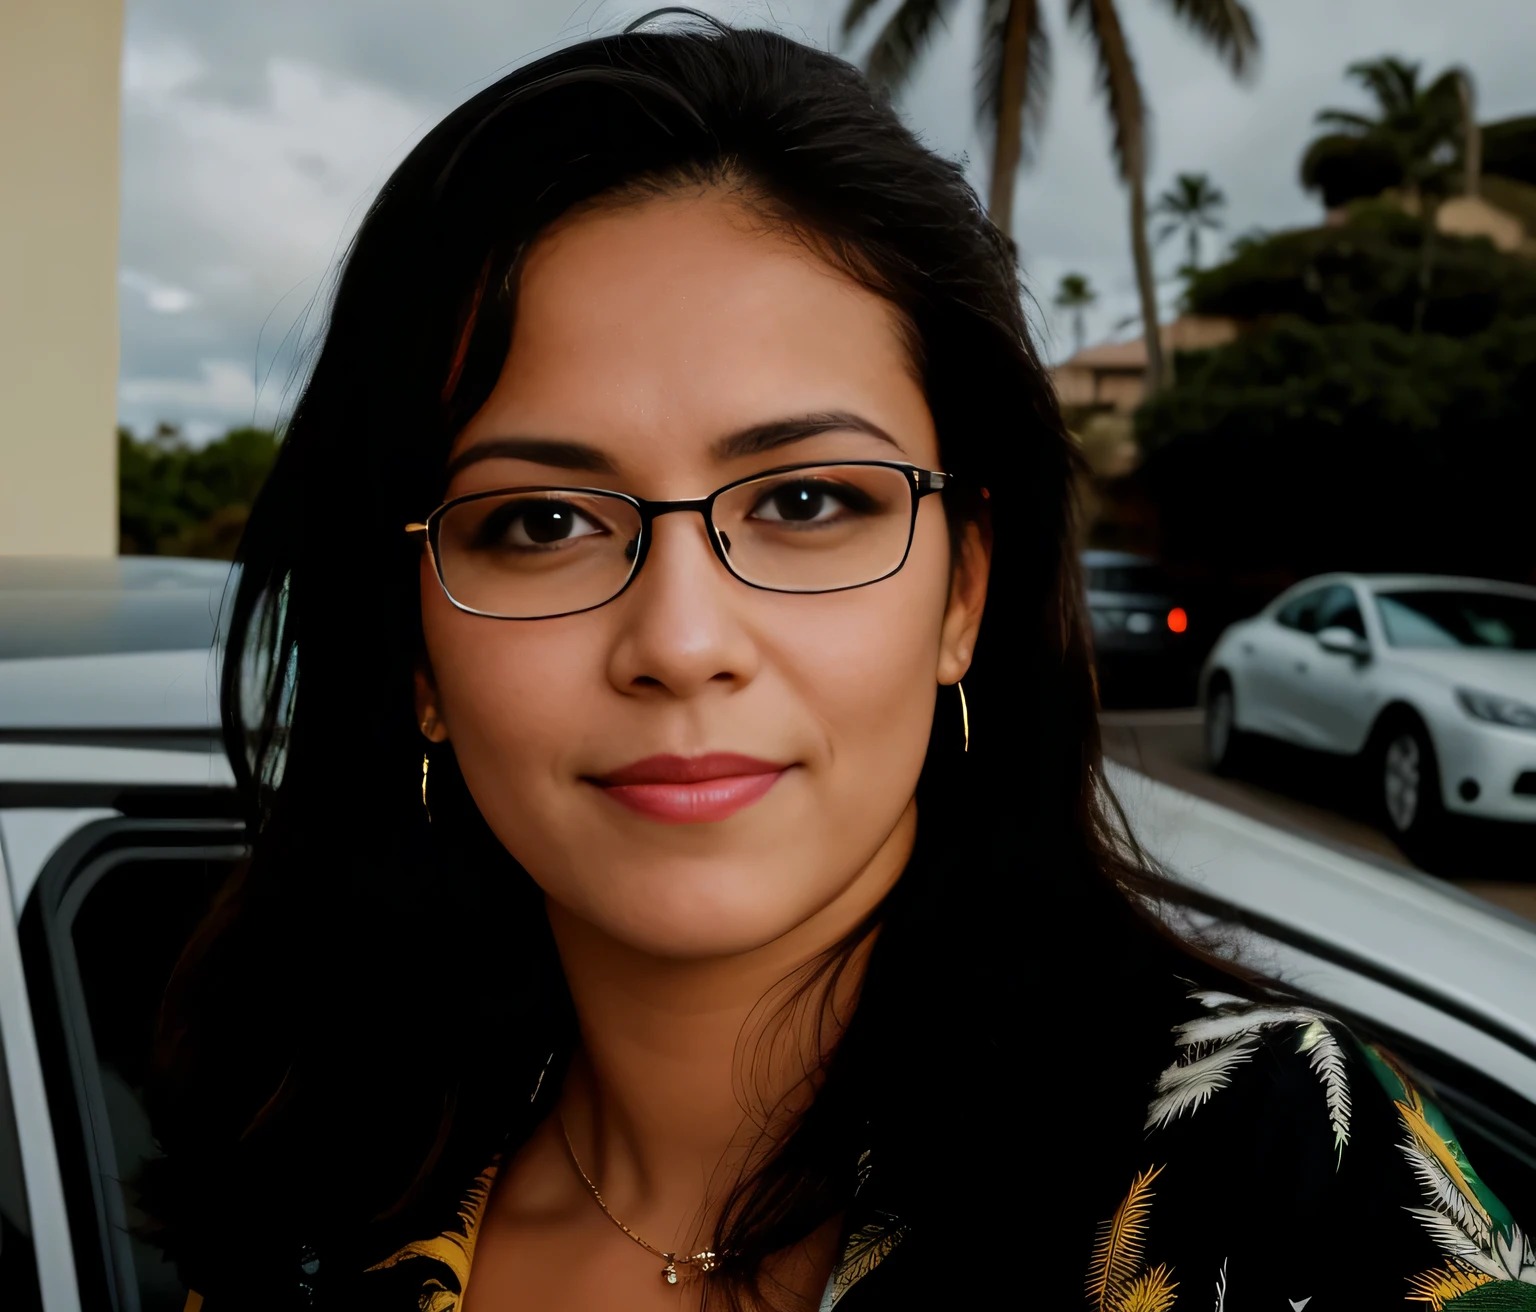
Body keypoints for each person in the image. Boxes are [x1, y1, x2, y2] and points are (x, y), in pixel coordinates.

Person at [145, 14, 1534, 1311]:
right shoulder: (308, 1217)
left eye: (808, 502)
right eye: (542, 522)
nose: (682, 643)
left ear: (962, 592)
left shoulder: (1274, 1177)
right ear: (416, 650)